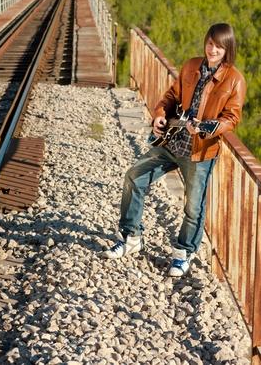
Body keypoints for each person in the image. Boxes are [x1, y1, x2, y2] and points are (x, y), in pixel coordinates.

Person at [102, 23, 246, 277]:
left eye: (219, 46)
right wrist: (159, 114)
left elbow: (232, 118)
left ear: (228, 49)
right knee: (134, 177)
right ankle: (131, 238)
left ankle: (183, 254)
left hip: (199, 152)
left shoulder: (235, 80)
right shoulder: (192, 65)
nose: (213, 50)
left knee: (193, 207)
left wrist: (207, 128)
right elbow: (172, 96)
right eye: (210, 44)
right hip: (172, 141)